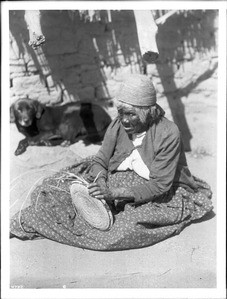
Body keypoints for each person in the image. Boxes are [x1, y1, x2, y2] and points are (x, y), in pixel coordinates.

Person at [10, 74, 213, 251]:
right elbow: (101, 159)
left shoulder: (168, 133)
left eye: (131, 114)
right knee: (54, 189)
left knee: (121, 230)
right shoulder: (118, 124)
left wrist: (114, 193)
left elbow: (159, 185)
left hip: (160, 189)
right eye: (121, 112)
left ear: (148, 111)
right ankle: (26, 222)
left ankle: (57, 226)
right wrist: (100, 180)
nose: (124, 120)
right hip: (120, 175)